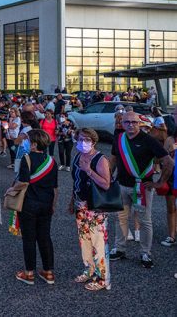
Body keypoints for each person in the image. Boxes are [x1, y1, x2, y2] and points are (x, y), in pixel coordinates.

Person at [109, 111, 173, 268]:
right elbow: (114, 158)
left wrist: (159, 183)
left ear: (140, 123)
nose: (130, 125)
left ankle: (145, 253)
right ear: (122, 124)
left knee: (145, 221)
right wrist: (109, 177)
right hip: (121, 185)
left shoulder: (148, 140)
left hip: (142, 187)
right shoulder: (118, 138)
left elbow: (169, 162)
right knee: (120, 218)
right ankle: (120, 249)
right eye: (127, 122)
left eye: (134, 122)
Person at [8, 130, 58, 286]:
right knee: (44, 237)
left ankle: (29, 273)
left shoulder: (26, 159)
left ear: (34, 144)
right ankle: (48, 272)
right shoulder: (52, 161)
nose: (26, 143)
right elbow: (55, 187)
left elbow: (24, 182)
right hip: (46, 203)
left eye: (28, 140)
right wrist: (53, 205)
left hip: (29, 203)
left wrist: (10, 190)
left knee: (29, 238)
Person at [69, 128, 112, 290]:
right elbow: (76, 182)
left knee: (98, 242)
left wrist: (89, 170)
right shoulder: (78, 156)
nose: (83, 142)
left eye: (87, 139)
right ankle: (89, 269)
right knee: (84, 240)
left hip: (96, 207)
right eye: (80, 139)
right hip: (80, 205)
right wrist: (72, 201)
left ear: (94, 141)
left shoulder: (100, 159)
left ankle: (103, 278)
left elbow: (106, 184)